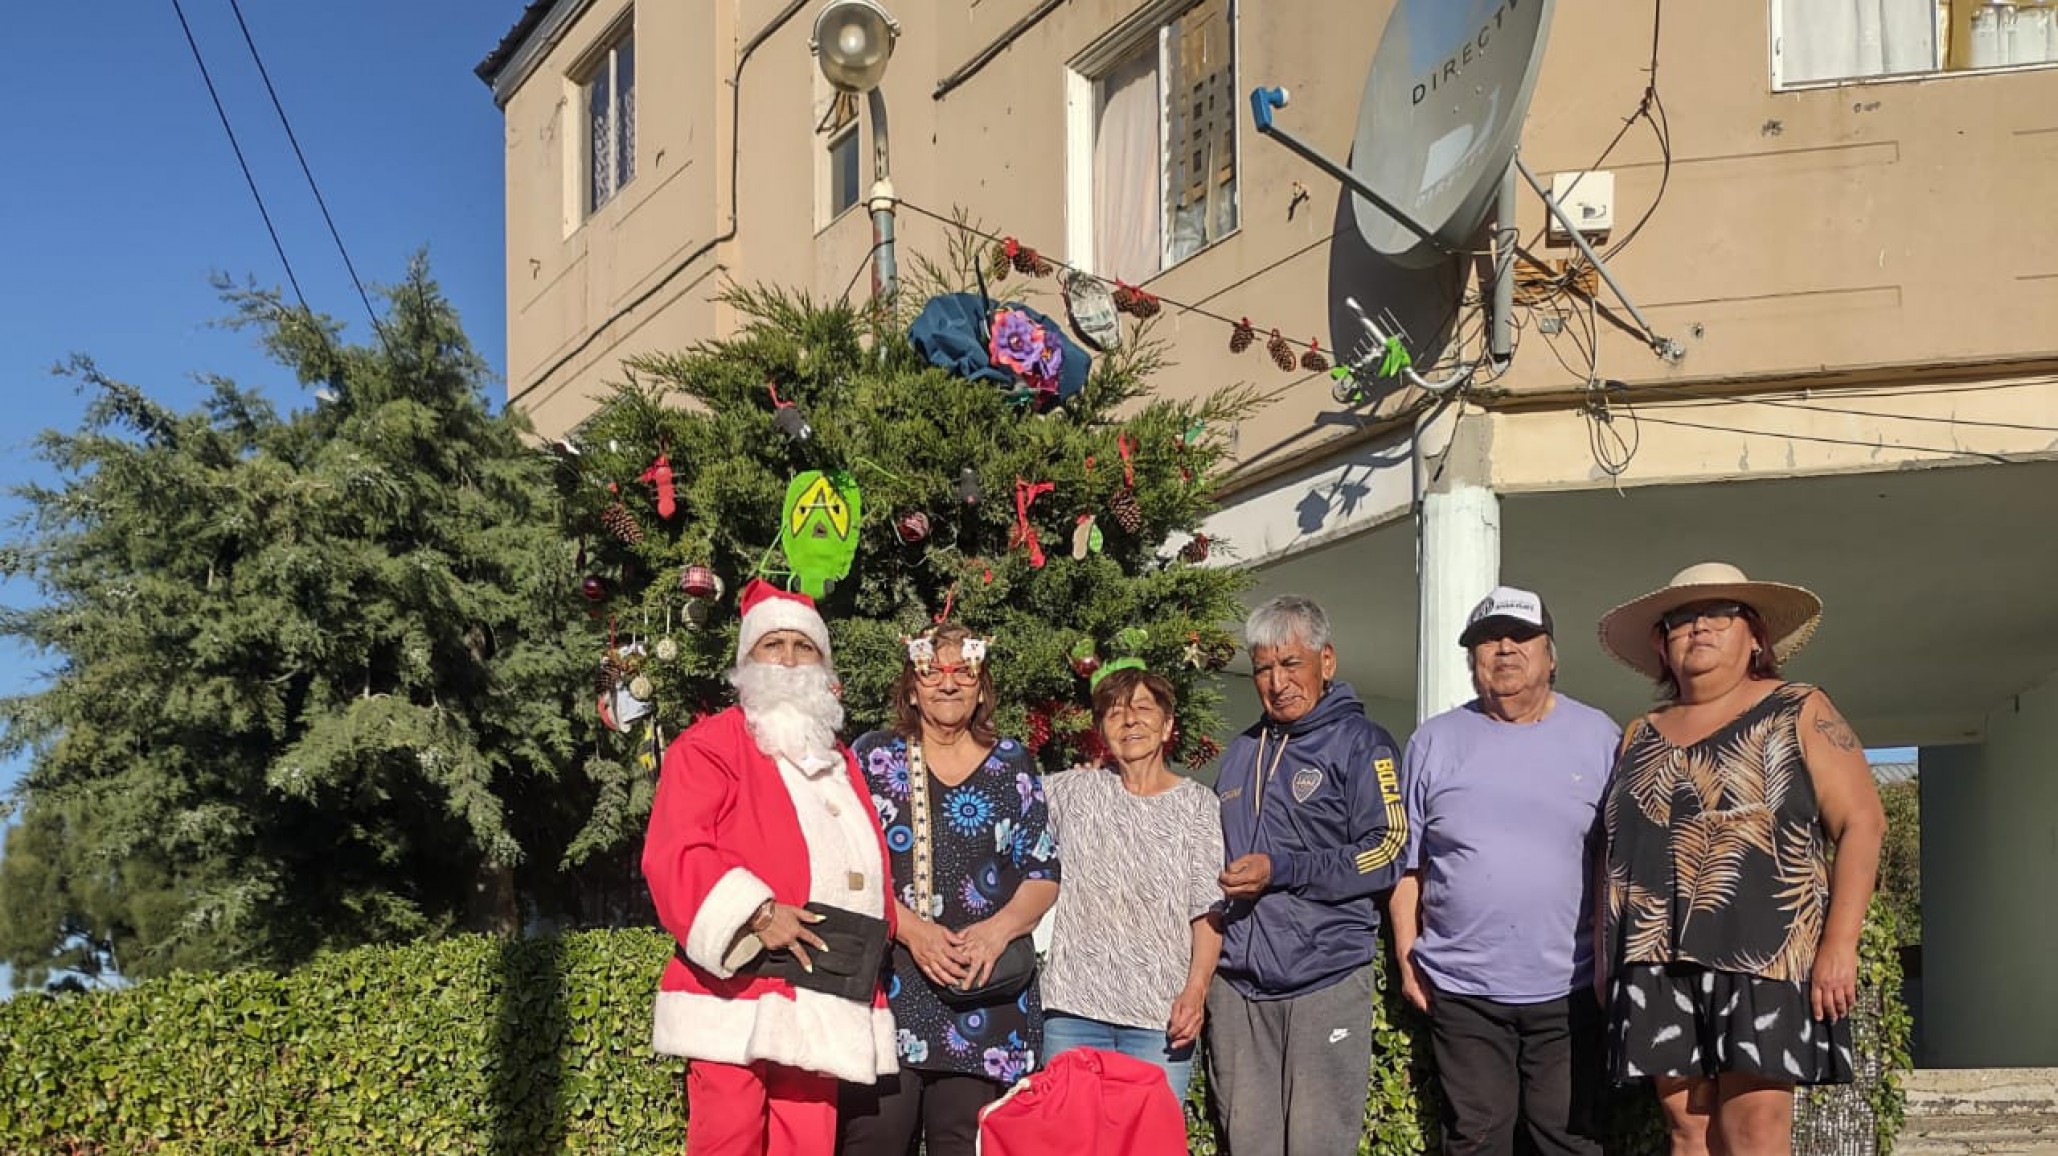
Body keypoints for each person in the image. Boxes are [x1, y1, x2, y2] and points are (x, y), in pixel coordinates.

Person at [1596, 562, 1887, 1156]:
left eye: (1719, 613)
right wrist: (1607, 957)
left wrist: (1840, 943)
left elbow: (1863, 822)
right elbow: (1613, 853)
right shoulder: (1638, 734)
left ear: (1756, 636)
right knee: (1688, 1131)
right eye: (1680, 619)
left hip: (1765, 955)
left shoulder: (1798, 708)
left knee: (1753, 1131)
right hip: (1653, 958)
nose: (1698, 626)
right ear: (1661, 644)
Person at [641, 579, 896, 1156]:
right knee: (727, 1137)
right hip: (736, 989)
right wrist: (756, 913)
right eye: (771, 645)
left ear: (822, 662)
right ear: (746, 660)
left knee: (806, 1143)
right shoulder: (708, 745)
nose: (787, 659)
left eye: (802, 647)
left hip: (822, 987)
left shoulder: (842, 760)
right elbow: (676, 851)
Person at [1390, 586, 1619, 1156]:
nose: (1505, 650)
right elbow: (1408, 865)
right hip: (1464, 990)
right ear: (1472, 661)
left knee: (1568, 1140)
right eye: (1489, 641)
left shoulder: (1600, 738)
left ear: (1551, 655)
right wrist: (1405, 953)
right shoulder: (1433, 742)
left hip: (1570, 988)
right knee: (1476, 1140)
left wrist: (1609, 960)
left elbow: (1614, 864)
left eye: (1521, 638)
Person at [838, 624, 1061, 1156]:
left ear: (982, 687)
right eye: (932, 671)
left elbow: (1042, 870)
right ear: (911, 687)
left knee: (965, 1145)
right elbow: (844, 866)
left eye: (964, 671)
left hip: (982, 995)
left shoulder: (1012, 764)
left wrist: (995, 932)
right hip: (888, 991)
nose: (948, 682)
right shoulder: (872, 758)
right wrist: (913, 931)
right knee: (874, 1141)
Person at [1207, 594, 1408, 1156]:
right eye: (1263, 669)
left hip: (1325, 976)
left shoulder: (1363, 745)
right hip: (1240, 986)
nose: (1276, 682)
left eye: (1290, 664)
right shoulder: (1242, 751)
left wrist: (1283, 868)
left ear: (1326, 661)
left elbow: (1389, 848)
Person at [1040, 666, 1226, 1096]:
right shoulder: (1071, 792)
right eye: (1114, 712)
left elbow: (1208, 910)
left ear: (1167, 726)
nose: (1130, 720)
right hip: (1073, 1013)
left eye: (1144, 708)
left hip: (1158, 1021)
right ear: (1101, 731)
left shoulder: (1198, 807)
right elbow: (998, 799)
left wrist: (1195, 991)